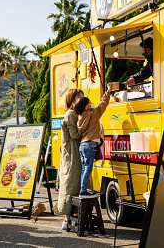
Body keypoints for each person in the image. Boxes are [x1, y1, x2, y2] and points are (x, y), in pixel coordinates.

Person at [73, 83, 114, 196]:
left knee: (84, 168)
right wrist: (108, 91)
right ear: (86, 106)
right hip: (90, 144)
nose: (91, 103)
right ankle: (83, 190)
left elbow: (80, 131)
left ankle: (83, 188)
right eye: (89, 102)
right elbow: (103, 105)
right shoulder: (92, 113)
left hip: (83, 145)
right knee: (88, 168)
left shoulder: (80, 117)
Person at [57, 88, 84, 229]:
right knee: (71, 186)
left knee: (75, 185)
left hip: (74, 155)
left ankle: (72, 217)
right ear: (72, 100)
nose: (81, 101)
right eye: (79, 98)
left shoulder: (74, 114)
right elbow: (74, 135)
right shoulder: (70, 114)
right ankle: (67, 219)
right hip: (72, 156)